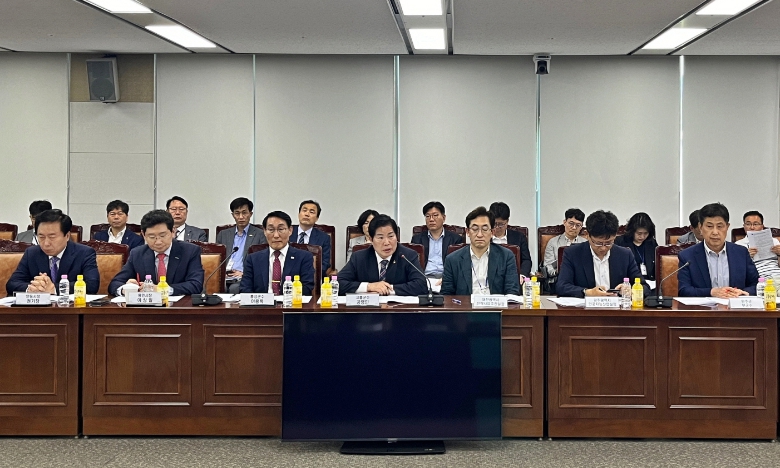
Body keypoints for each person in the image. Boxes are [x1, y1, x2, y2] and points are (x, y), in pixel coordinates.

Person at [109, 209, 204, 296]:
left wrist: (162, 290)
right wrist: (125, 289)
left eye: (162, 236)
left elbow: (196, 285)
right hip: (146, 307)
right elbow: (115, 284)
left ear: (173, 232)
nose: (158, 242)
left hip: (179, 307)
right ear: (143, 235)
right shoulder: (137, 253)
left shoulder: (190, 251)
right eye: (152, 237)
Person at [557, 210, 649, 298]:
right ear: (587, 235)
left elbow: (644, 286)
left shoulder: (625, 254)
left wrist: (631, 290)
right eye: (598, 243)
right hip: (585, 307)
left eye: (609, 243)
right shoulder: (573, 253)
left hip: (617, 307)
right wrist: (587, 292)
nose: (603, 248)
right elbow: (562, 286)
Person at [6, 209, 99, 295]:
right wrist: (33, 288)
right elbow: (12, 284)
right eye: (41, 237)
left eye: (52, 237)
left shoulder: (85, 253)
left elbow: (92, 285)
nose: (46, 243)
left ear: (67, 236)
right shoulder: (31, 253)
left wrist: (54, 289)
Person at [678, 203, 758, 298]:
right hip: (703, 307)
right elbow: (684, 290)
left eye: (720, 226)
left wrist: (743, 292)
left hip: (735, 305)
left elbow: (756, 284)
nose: (715, 232)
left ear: (727, 227)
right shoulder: (687, 256)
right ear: (700, 227)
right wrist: (711, 292)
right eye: (709, 226)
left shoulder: (741, 253)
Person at [338, 214, 427, 296]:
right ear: (371, 239)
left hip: (398, 307)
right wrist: (369, 287)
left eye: (391, 236)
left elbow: (421, 285)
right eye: (380, 237)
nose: (386, 243)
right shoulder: (359, 257)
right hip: (369, 307)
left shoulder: (408, 255)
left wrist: (388, 289)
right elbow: (337, 283)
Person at [441, 206, 520, 295]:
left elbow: (512, 292)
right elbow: (446, 295)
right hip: (466, 304)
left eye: (485, 229)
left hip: (495, 304)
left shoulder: (506, 256)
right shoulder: (452, 260)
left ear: (492, 232)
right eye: (475, 229)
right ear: (467, 232)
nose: (479, 235)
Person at [239, 211, 315, 295]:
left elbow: (307, 288)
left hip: (291, 302)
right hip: (262, 302)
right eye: (271, 230)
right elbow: (245, 289)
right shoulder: (253, 259)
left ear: (290, 230)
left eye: (281, 229)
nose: (276, 235)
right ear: (264, 231)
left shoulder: (304, 257)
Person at [215, 197, 267, 293]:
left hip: (243, 276)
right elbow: (217, 259)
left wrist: (244, 274)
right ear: (233, 215)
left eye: (244, 213)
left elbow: (262, 261)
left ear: (250, 214)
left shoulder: (260, 234)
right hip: (225, 276)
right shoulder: (223, 234)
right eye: (237, 213)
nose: (241, 217)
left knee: (234, 288)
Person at [410, 201, 464, 281]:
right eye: (428, 216)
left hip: (447, 279)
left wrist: (447, 279)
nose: (431, 219)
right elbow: (413, 264)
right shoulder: (417, 239)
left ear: (444, 218)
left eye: (435, 215)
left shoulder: (455, 239)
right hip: (424, 278)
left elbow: (459, 265)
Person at [542, 208, 587, 292]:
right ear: (564, 222)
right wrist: (559, 271)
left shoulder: (585, 243)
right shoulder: (553, 242)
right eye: (571, 223)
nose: (574, 228)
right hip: (558, 279)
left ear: (581, 226)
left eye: (578, 225)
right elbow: (548, 266)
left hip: (581, 281)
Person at [488, 202, 532, 276]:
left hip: (513, 276)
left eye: (501, 224)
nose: (497, 227)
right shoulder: (484, 237)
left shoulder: (519, 237)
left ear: (507, 221)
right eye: (494, 224)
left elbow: (526, 260)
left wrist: (521, 275)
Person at [733, 210, 780, 280]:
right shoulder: (738, 245)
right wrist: (746, 257)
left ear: (762, 226)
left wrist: (779, 254)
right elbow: (736, 269)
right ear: (744, 226)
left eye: (755, 224)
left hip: (776, 275)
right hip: (757, 278)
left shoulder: (774, 241)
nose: (752, 227)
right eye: (748, 224)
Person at [290, 200, 332, 274]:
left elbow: (325, 263)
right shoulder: (287, 232)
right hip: (288, 276)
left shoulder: (324, 238)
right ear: (299, 214)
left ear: (317, 218)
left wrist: (309, 274)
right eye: (304, 210)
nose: (307, 214)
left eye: (311, 212)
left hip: (312, 276)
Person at [614, 212, 658, 281]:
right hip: (629, 282)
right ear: (632, 231)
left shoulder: (651, 243)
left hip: (650, 281)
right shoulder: (620, 242)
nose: (642, 237)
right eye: (639, 233)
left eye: (645, 233)